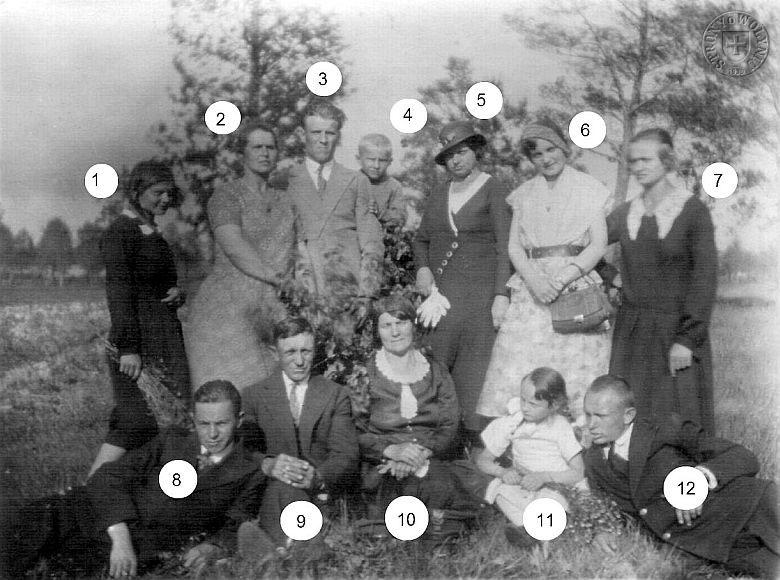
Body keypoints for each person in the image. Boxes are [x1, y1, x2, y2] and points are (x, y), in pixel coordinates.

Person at [2, 381, 266, 578]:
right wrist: (120, 536)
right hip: (106, 517)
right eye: (203, 424)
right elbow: (109, 475)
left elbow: (236, 523)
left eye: (221, 423)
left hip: (147, 544)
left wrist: (212, 547)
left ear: (239, 420)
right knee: (26, 523)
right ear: (193, 420)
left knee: (67, 569)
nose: (212, 434)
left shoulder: (249, 469)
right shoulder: (172, 441)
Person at [477, 118, 611, 423]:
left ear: (564, 148)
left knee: (575, 361)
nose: (546, 159)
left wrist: (562, 279)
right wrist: (535, 281)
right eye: (537, 154)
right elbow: (514, 247)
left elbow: (598, 244)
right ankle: (521, 433)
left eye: (551, 150)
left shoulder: (589, 189)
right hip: (533, 288)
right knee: (525, 358)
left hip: (574, 284)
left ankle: (576, 433)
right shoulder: (523, 194)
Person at [582, 375, 778, 578]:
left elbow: (742, 456)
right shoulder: (593, 460)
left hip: (743, 505)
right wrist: (601, 529)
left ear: (628, 415)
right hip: (697, 542)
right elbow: (601, 505)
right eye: (587, 415)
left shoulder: (664, 428)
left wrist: (697, 479)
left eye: (600, 416)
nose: (591, 424)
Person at [606, 128, 717, 433]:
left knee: (678, 418)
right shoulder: (626, 212)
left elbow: (705, 279)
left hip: (675, 332)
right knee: (630, 414)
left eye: (646, 159)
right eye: (633, 161)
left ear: (667, 160)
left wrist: (686, 340)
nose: (638, 167)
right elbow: (588, 243)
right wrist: (612, 277)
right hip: (631, 333)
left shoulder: (692, 211)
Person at [89, 160, 191, 477]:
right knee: (135, 421)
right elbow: (118, 292)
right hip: (138, 342)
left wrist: (177, 293)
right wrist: (129, 348)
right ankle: (91, 488)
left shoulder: (150, 231)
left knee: (168, 419)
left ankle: (142, 488)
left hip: (165, 337)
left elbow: (154, 282)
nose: (165, 199)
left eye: (169, 193)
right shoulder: (121, 232)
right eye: (158, 193)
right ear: (137, 192)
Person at [413, 121, 512, 443]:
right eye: (449, 155)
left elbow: (505, 246)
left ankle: (469, 444)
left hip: (479, 299)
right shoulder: (438, 193)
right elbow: (421, 240)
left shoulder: (493, 188)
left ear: (476, 151)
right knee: (436, 365)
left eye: (462, 152)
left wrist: (501, 294)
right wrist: (422, 270)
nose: (455, 160)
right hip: (441, 299)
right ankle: (435, 439)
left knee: (473, 373)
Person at [186, 120, 298, 392]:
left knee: (275, 396)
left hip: (275, 309)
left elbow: (300, 249)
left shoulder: (287, 200)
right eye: (257, 147)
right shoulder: (226, 196)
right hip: (228, 311)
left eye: (270, 147)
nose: (265, 153)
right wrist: (277, 278)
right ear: (242, 153)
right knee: (230, 396)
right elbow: (233, 245)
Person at [240, 317, 360, 545]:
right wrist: (268, 464)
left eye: (306, 351)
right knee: (282, 492)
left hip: (318, 494)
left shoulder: (335, 394)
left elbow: (346, 455)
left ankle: (282, 553)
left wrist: (318, 477)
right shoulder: (254, 395)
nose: (299, 361)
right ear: (275, 353)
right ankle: (297, 551)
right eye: (290, 352)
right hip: (274, 495)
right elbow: (244, 451)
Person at [355, 295, 474, 518]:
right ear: (377, 331)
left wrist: (421, 453)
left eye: (401, 323)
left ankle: (439, 526)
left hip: (430, 458)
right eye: (386, 325)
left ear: (413, 324)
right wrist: (393, 452)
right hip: (383, 463)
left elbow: (450, 424)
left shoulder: (436, 370)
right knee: (397, 490)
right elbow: (355, 430)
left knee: (437, 482)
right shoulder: (364, 373)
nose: (395, 332)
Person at [474, 367, 584, 547]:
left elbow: (578, 472)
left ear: (554, 405)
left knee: (549, 502)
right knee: (501, 493)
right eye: (522, 400)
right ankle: (527, 529)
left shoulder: (560, 427)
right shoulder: (513, 423)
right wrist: (502, 472)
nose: (525, 407)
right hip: (524, 485)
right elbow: (483, 460)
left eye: (533, 404)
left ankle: (540, 533)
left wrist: (544, 477)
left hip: (554, 485)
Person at [288, 102, 384, 300]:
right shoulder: (285, 181)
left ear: (338, 136)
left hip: (348, 289)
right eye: (316, 132)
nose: (323, 140)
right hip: (302, 291)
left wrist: (367, 294)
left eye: (330, 133)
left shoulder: (357, 180)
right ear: (302, 134)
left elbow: (371, 242)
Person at [356, 133, 406, 229]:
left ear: (390, 161)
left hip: (380, 235)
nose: (376, 166)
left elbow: (400, 218)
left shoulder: (394, 187)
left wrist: (380, 212)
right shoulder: (350, 182)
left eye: (382, 160)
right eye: (371, 159)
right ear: (359, 159)